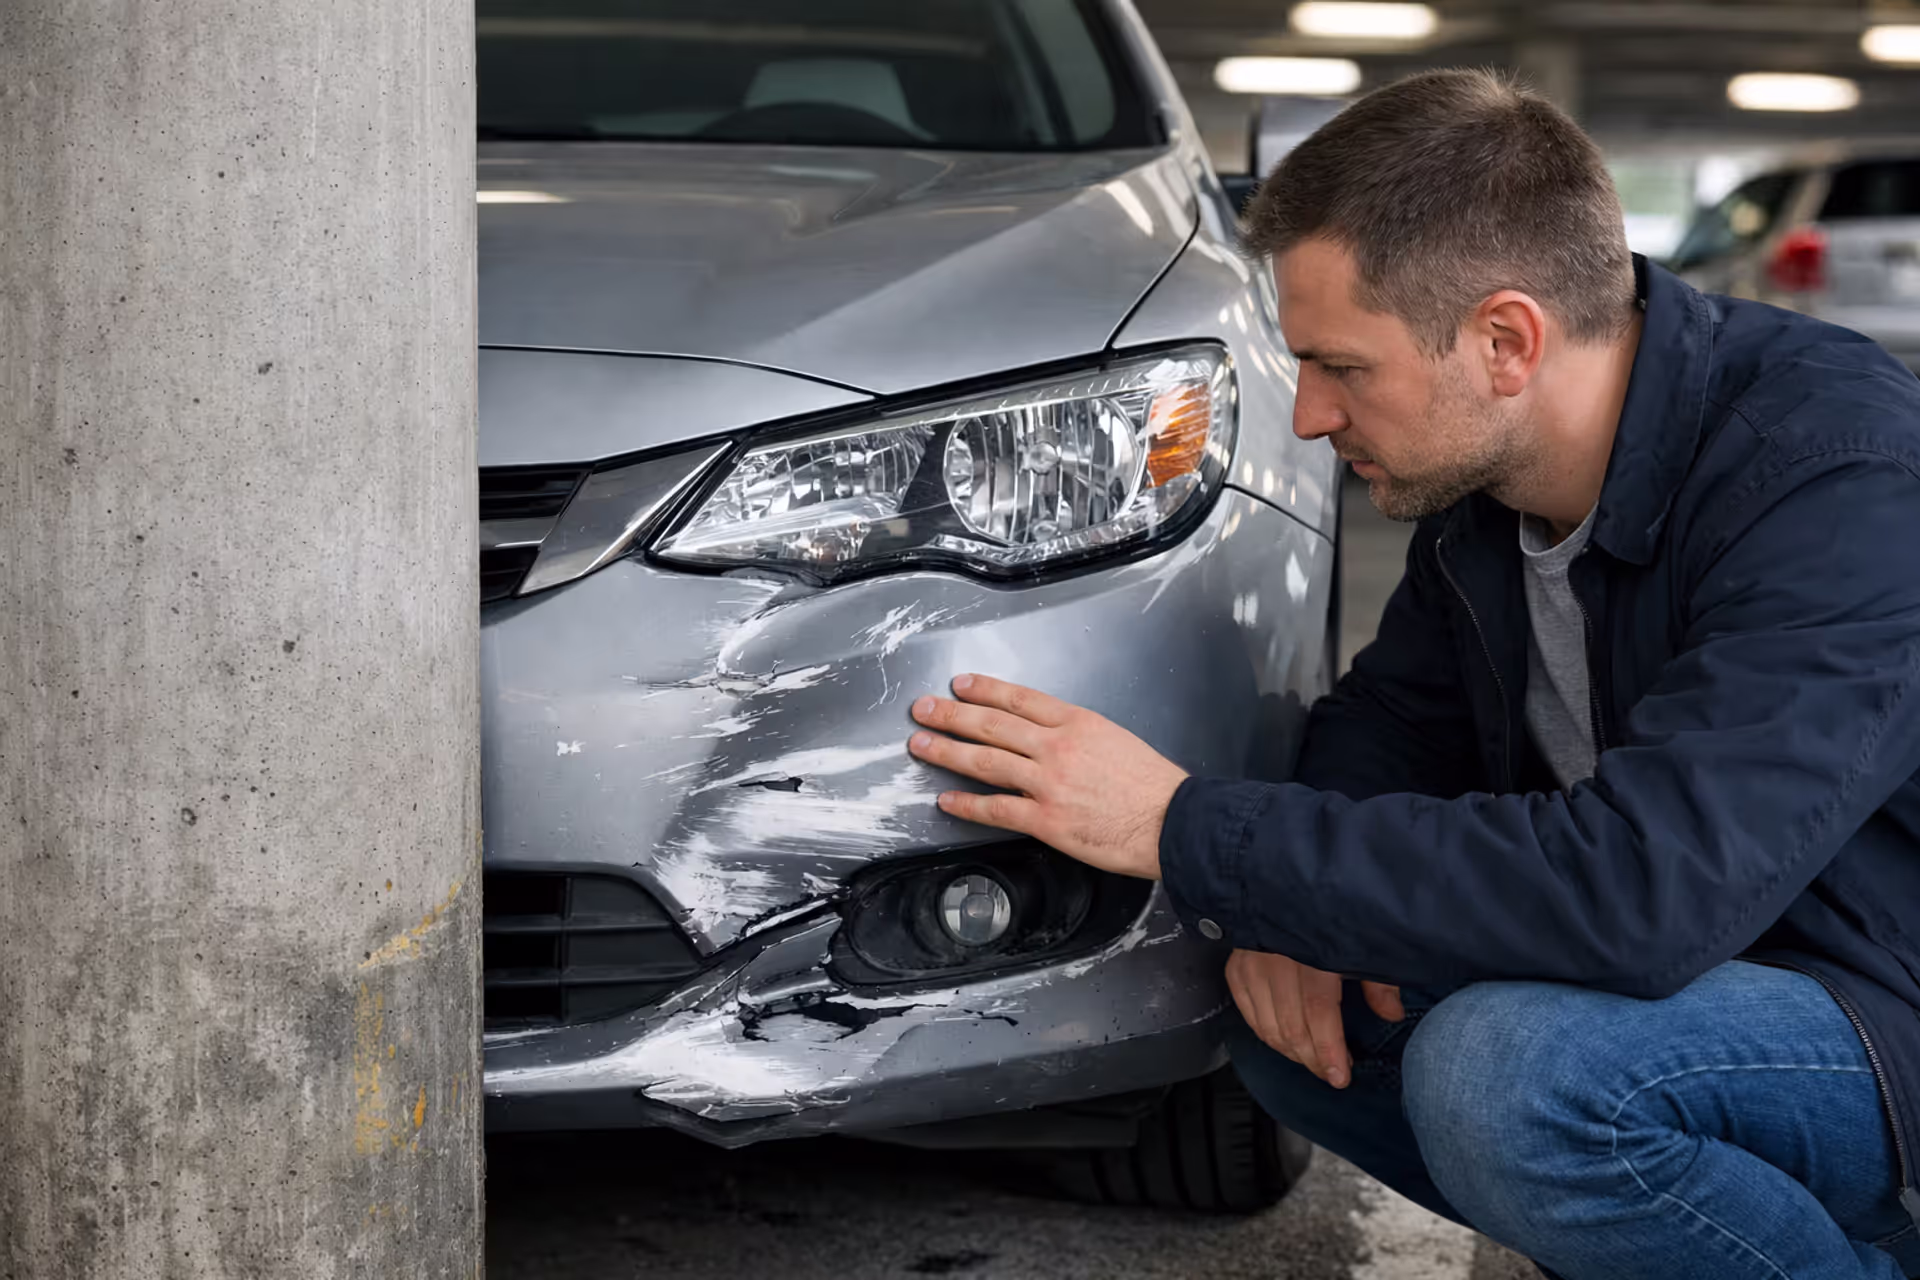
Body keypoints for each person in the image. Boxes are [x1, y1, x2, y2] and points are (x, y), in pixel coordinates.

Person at [904, 68, 1920, 1279]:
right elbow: (1388, 718)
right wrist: (1291, 911)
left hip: (1874, 1004)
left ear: (1504, 339)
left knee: (1510, 1076)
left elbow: (1647, 893)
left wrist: (1182, 827)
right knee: (1293, 1018)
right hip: (1716, 981)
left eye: (1345, 367)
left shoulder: (1836, 478)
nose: (1313, 416)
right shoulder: (1488, 482)